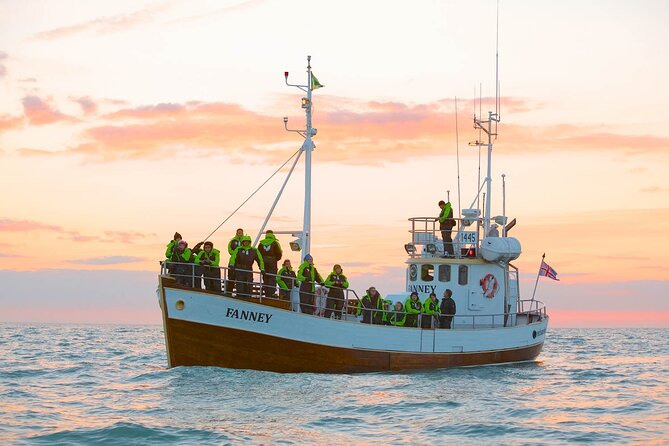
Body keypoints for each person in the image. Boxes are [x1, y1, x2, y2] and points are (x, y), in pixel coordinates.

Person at [258, 230, 283, 297]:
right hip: (272, 261)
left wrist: (261, 263)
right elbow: (279, 253)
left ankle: (266, 293)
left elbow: (258, 254)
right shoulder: (275, 243)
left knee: (265, 277)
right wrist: (274, 259)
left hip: (263, 261)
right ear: (272, 234)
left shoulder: (261, 243)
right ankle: (271, 294)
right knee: (272, 278)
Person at [225, 228, 245, 293]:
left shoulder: (245, 241)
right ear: (236, 233)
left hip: (241, 261)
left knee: (241, 278)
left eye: (241, 232)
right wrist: (235, 253)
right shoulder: (232, 241)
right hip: (233, 260)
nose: (239, 234)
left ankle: (240, 293)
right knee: (231, 277)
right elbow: (229, 250)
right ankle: (229, 292)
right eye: (238, 232)